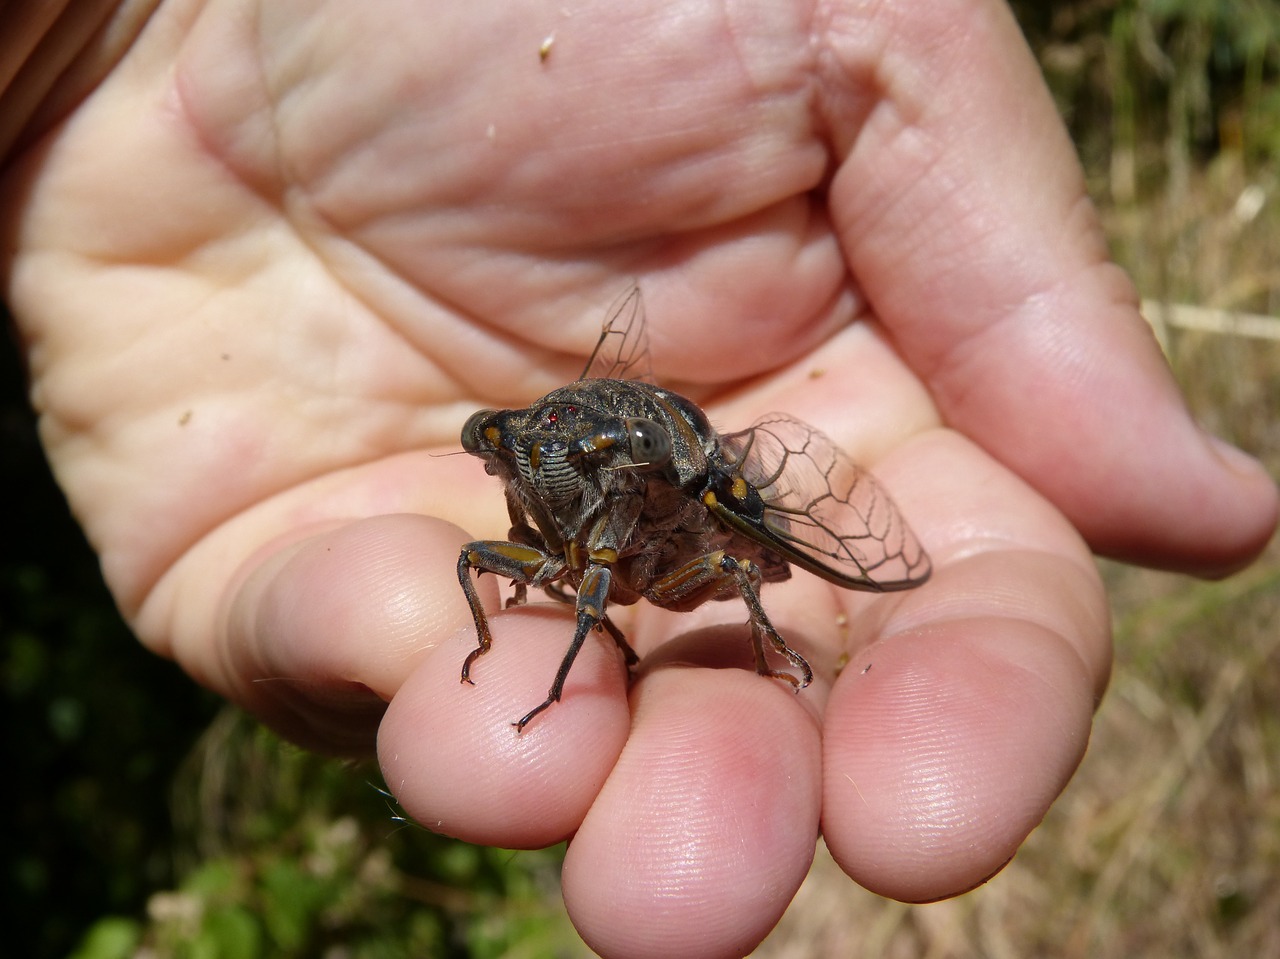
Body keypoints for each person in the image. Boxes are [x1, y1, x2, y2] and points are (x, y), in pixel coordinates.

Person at [2, 2, 1275, 957]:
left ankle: (719, 631)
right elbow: (504, 542)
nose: (517, 468)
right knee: (465, 565)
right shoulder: (529, 472)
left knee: (729, 574)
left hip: (703, 522)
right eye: (505, 453)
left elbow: (643, 566)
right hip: (611, 529)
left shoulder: (650, 493)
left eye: (532, 452)